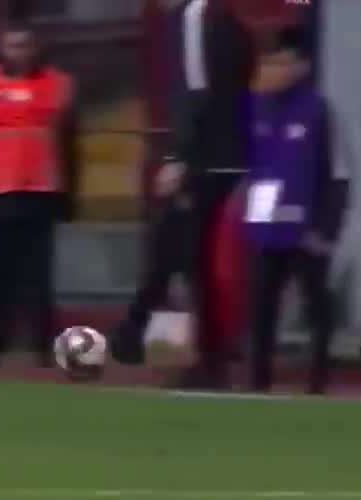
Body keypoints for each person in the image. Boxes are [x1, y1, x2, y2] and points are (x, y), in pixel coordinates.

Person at [110, 0, 253, 389]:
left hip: (205, 160)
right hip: (224, 155)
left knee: (190, 257)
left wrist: (178, 157)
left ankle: (206, 358)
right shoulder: (225, 19)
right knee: (175, 248)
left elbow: (198, 93)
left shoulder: (195, 18)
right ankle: (133, 335)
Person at [0, 22, 78, 367]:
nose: (19, 51)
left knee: (38, 274)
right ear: (0, 47)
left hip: (39, 188)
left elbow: (68, 141)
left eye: (25, 44)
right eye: (12, 45)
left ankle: (41, 344)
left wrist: (68, 192)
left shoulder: (58, 83)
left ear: (36, 46)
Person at [243, 28, 348, 395]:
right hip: (265, 229)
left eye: (282, 62)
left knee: (315, 303)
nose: (272, 69)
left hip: (306, 231)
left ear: (302, 66)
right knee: (261, 306)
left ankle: (317, 381)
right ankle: (259, 382)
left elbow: (338, 175)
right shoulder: (254, 107)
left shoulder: (317, 110)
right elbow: (250, 170)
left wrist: (325, 229)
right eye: (268, 62)